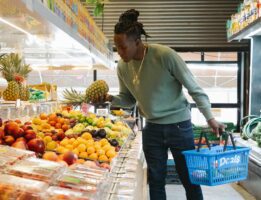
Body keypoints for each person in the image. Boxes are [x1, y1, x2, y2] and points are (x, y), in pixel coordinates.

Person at [106, 9, 225, 200]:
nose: (119, 52)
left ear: (137, 42)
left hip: (179, 126)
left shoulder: (164, 55)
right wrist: (110, 99)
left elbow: (194, 88)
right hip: (152, 128)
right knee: (155, 180)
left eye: (122, 47)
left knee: (190, 179)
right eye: (116, 47)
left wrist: (210, 118)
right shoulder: (122, 66)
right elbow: (127, 98)